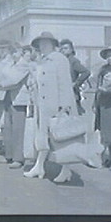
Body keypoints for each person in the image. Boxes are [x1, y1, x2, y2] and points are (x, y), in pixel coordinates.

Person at [23, 32, 77, 182]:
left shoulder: (59, 59)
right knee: (43, 137)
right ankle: (39, 166)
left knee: (62, 138)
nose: (43, 46)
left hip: (57, 105)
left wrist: (64, 105)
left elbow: (65, 83)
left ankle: (66, 170)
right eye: (41, 43)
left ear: (53, 44)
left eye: (46, 43)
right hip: (43, 106)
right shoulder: (42, 61)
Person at [0, 45, 34, 169]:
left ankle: (18, 158)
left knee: (18, 129)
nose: (12, 55)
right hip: (8, 97)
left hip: (19, 99)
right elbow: (0, 74)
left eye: (15, 52)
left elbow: (13, 80)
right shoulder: (12, 65)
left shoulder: (24, 65)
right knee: (8, 128)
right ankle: (9, 155)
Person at [59, 39, 91, 116]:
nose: (63, 51)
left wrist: (76, 83)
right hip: (61, 93)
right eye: (62, 49)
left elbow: (86, 72)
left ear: (71, 50)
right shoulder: (61, 61)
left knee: (73, 117)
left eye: (66, 48)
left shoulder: (73, 61)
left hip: (72, 94)